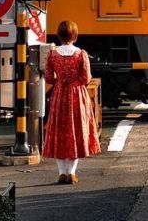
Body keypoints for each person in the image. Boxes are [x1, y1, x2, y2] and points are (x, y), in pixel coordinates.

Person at [43, 20, 100, 184]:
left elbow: (48, 77)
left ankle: (62, 172)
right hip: (77, 95)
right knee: (76, 130)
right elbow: (86, 77)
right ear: (74, 35)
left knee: (59, 130)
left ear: (59, 35)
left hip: (60, 94)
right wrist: (75, 82)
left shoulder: (52, 54)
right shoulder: (81, 53)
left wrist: (60, 81)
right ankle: (72, 172)